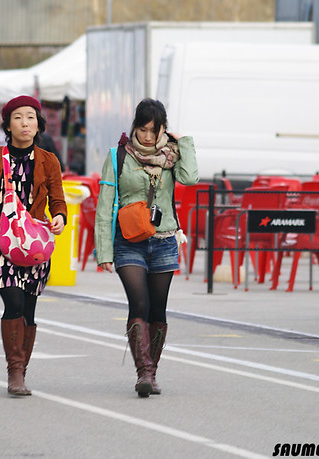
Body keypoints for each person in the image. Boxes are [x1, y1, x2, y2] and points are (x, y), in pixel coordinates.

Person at [94, 98, 198, 397]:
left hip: (164, 241)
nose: (148, 137)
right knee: (138, 304)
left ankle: (152, 373)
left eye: (155, 130)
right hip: (129, 242)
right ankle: (144, 373)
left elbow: (190, 178)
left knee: (158, 310)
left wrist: (185, 143)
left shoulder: (172, 156)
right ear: (134, 126)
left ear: (163, 128)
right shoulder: (118, 157)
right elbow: (104, 207)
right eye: (143, 129)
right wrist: (104, 252)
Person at [0, 95, 67, 396]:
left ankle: (22, 368)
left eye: (31, 117)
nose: (25, 123)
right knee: (14, 303)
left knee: (30, 310)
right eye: (19, 117)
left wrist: (60, 217)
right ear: (7, 124)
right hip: (0, 242)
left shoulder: (48, 160)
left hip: (34, 242)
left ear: (38, 125)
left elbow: (58, 198)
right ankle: (14, 372)